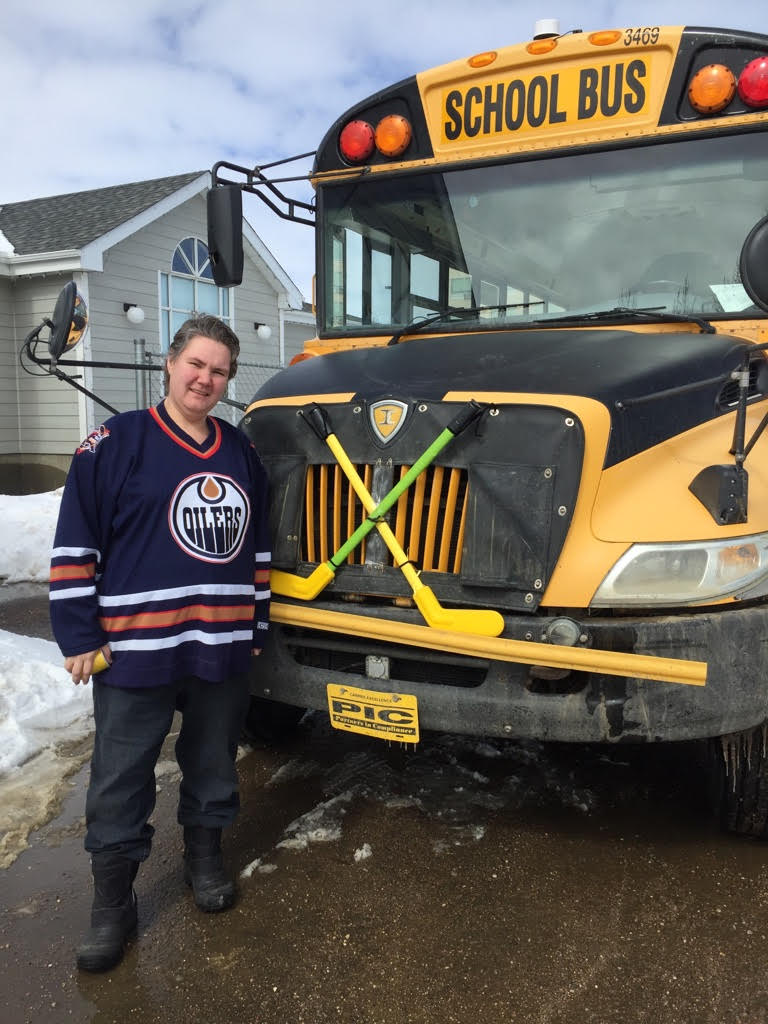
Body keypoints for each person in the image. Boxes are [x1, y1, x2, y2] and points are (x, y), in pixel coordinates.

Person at [49, 314, 271, 973]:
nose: (205, 378)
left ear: (228, 380)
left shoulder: (239, 451)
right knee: (121, 778)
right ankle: (112, 905)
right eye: (196, 364)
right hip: (135, 650)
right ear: (170, 364)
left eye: (219, 370)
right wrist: (79, 634)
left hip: (220, 646)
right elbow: (74, 544)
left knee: (212, 761)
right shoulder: (113, 444)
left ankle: (204, 860)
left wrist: (254, 624)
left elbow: (257, 550)